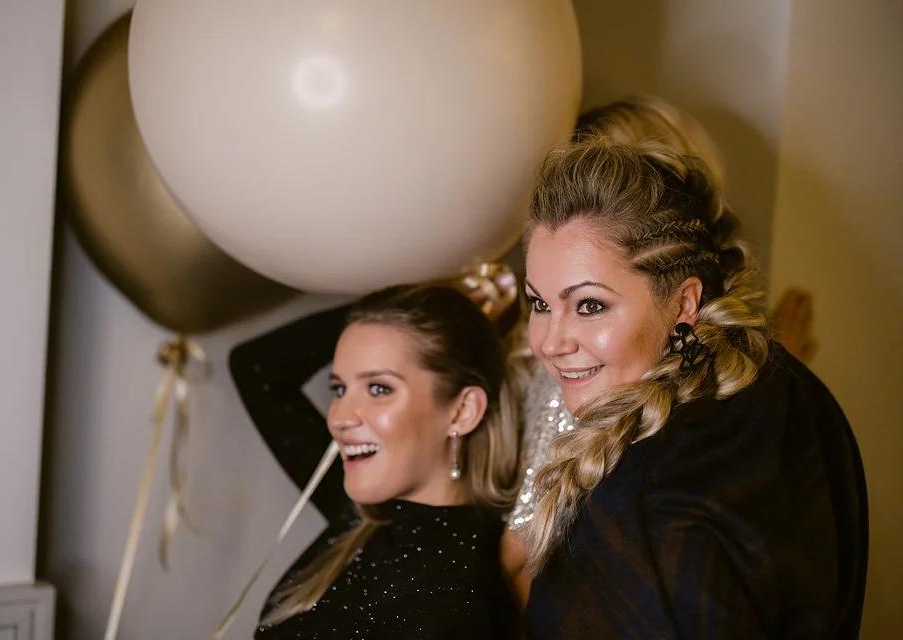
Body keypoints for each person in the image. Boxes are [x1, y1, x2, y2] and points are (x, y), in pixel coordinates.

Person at [515, 139, 867, 638]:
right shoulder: (789, 386)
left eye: (590, 305)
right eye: (540, 303)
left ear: (684, 303)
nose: (551, 342)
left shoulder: (641, 492)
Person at [245, 283, 521, 638]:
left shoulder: (452, 604)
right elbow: (258, 370)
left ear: (462, 411)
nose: (340, 417)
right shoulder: (366, 512)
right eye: (339, 389)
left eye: (378, 388)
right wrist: (427, 294)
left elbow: (256, 371)